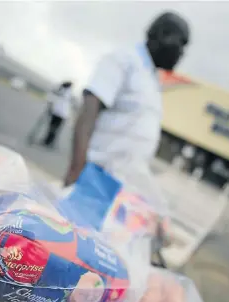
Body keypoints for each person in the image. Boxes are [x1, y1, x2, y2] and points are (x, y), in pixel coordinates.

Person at [63, 11, 190, 188]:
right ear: (162, 35)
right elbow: (88, 112)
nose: (182, 53)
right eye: (181, 43)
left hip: (118, 184)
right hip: (93, 177)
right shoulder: (124, 60)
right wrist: (76, 170)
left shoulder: (151, 78)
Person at [42, 81, 74, 148]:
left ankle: (48, 142)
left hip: (59, 113)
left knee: (53, 128)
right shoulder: (67, 92)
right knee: (53, 128)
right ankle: (48, 141)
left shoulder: (64, 91)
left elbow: (54, 97)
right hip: (60, 113)